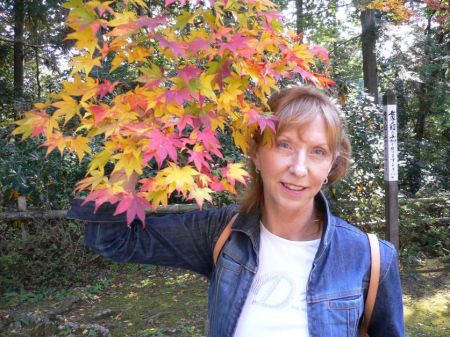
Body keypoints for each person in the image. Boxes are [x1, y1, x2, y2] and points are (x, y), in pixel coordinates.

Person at [67, 86, 404, 337]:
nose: (299, 168)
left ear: (332, 164)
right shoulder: (219, 235)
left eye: (317, 151)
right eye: (284, 144)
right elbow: (112, 239)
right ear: (256, 153)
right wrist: (138, 142)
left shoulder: (370, 258)